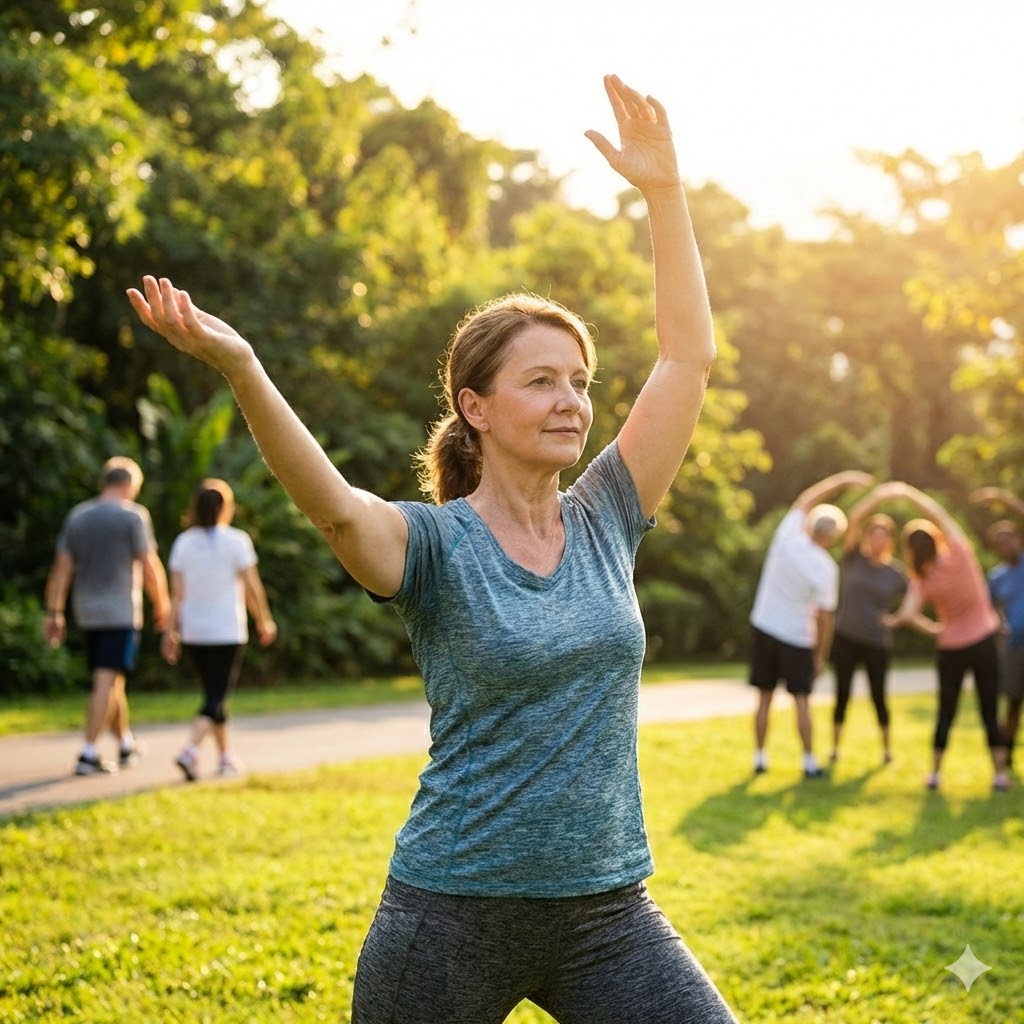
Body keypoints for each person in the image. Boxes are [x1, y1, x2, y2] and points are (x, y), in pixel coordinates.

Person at [127, 74, 737, 1023]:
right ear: (475, 407)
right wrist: (242, 366)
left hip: (608, 912)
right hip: (452, 916)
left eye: (580, 381)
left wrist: (664, 192)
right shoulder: (434, 546)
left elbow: (686, 359)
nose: (572, 401)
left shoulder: (609, 514)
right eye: (542, 381)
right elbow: (336, 512)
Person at [42, 456, 171, 775]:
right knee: (106, 680)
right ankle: (88, 752)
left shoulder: (78, 516)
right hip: (120, 611)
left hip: (86, 611)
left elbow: (62, 569)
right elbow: (150, 565)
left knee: (113, 679)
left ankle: (125, 742)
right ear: (130, 485)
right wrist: (163, 605)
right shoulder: (133, 516)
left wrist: (54, 611)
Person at [881, 481, 1010, 792]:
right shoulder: (960, 553)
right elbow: (938, 513)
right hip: (984, 639)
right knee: (989, 709)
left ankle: (936, 775)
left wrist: (937, 629)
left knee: (946, 710)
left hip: (951, 647)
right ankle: (999, 775)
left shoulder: (922, 579)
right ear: (935, 540)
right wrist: (910, 494)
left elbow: (908, 614)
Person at [748, 470, 873, 778]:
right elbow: (824, 618)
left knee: (764, 698)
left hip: (765, 627)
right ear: (833, 537)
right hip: (797, 638)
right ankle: (808, 761)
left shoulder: (787, 537)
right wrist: (819, 657)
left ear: (811, 524)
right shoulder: (826, 569)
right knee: (802, 701)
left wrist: (842, 481)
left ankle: (760, 757)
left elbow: (807, 498)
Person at [162, 478, 277, 781]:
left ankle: (226, 758)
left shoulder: (184, 543)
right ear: (226, 507)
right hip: (227, 631)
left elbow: (177, 594)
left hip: (194, 631)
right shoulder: (237, 541)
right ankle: (190, 750)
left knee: (214, 695)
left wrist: (170, 631)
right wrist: (264, 619)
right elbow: (252, 586)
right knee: (216, 696)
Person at [829, 486, 908, 765]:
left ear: (889, 541)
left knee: (878, 696)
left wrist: (897, 618)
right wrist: (879, 496)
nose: (877, 540)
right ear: (866, 537)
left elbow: (918, 594)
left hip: (876, 642)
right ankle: (835, 749)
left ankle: (886, 750)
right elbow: (853, 518)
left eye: (882, 536)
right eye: (873, 534)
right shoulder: (854, 559)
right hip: (846, 637)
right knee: (842, 694)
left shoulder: (895, 572)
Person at [970, 486, 1024, 769]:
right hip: (1013, 647)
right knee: (1013, 702)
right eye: (1001, 542)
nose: (1007, 544)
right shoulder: (996, 577)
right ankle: (1009, 753)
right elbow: (987, 610)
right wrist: (997, 625)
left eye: (1010, 538)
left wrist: (1004, 499)